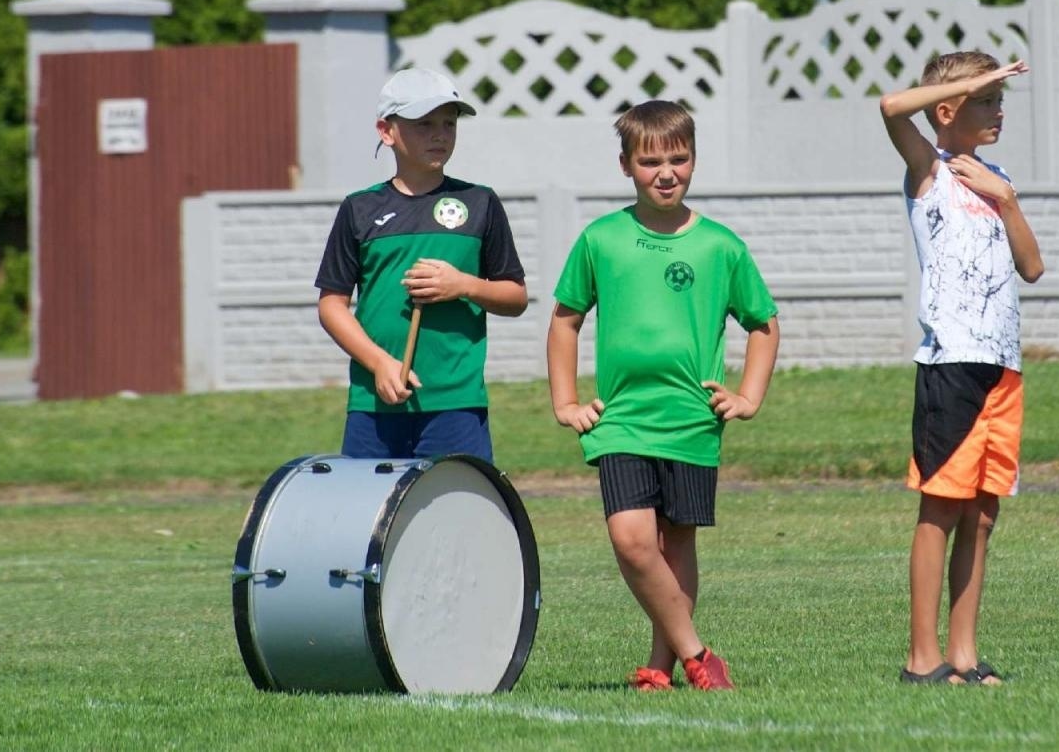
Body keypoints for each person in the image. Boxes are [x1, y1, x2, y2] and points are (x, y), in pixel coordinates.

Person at [547, 100, 781, 693]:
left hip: (692, 422)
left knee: (676, 542)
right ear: (625, 165)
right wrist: (566, 401)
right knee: (631, 540)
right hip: (621, 419)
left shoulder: (720, 247)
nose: (666, 172)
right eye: (651, 161)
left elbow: (763, 323)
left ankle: (660, 666)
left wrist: (748, 396)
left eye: (678, 159)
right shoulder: (601, 238)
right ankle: (700, 655)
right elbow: (564, 320)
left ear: (694, 160)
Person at [878, 51, 1045, 686]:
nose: (997, 109)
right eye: (984, 100)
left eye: (998, 100)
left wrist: (1008, 201)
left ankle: (965, 655)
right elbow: (892, 109)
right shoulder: (929, 173)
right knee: (940, 511)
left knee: (982, 513)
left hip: (1002, 369)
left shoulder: (993, 177)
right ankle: (924, 658)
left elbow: (1032, 268)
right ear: (948, 110)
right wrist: (966, 80)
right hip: (952, 366)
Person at [315, 66, 528, 461]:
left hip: (456, 401)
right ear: (386, 131)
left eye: (449, 123)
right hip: (375, 400)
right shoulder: (360, 209)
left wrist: (463, 285)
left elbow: (515, 297)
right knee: (373, 518)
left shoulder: (480, 203)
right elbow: (331, 305)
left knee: (458, 515)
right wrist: (379, 363)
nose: (440, 134)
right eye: (424, 123)